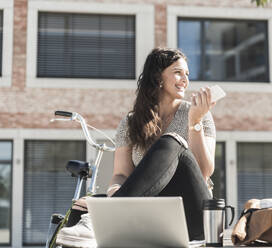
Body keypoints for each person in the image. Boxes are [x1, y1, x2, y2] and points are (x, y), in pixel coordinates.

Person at [56, 47, 217, 247]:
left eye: (187, 74)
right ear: (158, 77)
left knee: (170, 141)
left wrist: (195, 122)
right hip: (152, 211)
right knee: (83, 209)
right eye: (178, 72)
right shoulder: (131, 122)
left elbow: (204, 172)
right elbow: (121, 174)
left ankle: (109, 213)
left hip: (193, 213)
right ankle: (103, 215)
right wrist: (114, 189)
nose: (185, 79)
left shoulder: (197, 114)